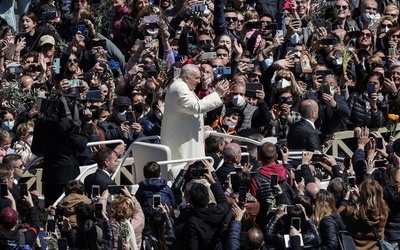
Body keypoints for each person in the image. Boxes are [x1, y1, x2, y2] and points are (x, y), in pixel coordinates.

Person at [160, 64, 229, 162]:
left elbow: (187, 112)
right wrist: (217, 94)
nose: (199, 81)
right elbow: (196, 107)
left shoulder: (184, 86)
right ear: (186, 78)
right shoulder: (180, 89)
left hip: (186, 136)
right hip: (181, 142)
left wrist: (199, 126)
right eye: (196, 78)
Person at [340, 179, 389, 249]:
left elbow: (338, 214)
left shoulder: (352, 212)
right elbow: (369, 209)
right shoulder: (384, 212)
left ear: (362, 194)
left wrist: (345, 199)